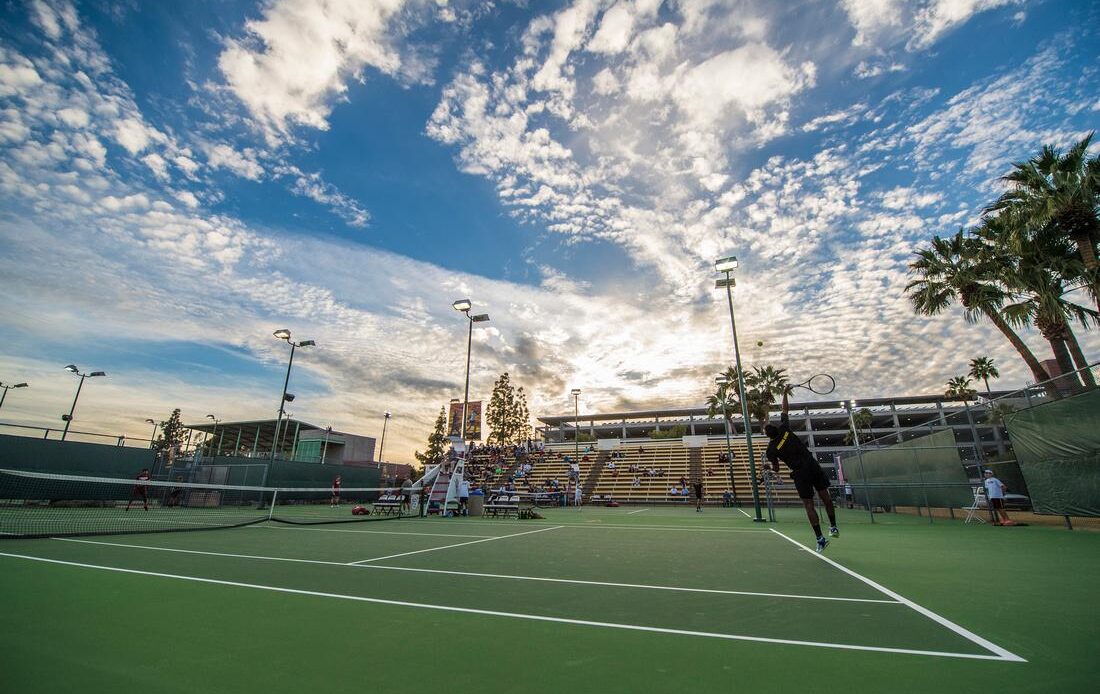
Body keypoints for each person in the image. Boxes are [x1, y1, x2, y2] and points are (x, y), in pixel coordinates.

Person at [765, 391, 838, 552]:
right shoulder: (784, 429)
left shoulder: (771, 449)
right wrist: (784, 393)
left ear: (767, 436)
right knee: (825, 496)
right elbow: (785, 409)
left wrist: (769, 469)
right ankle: (833, 527)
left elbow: (776, 469)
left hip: (799, 472)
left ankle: (820, 538)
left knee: (809, 505)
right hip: (811, 464)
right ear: (775, 429)